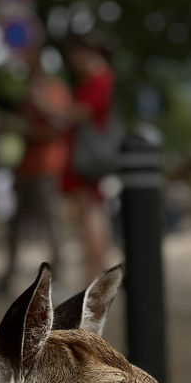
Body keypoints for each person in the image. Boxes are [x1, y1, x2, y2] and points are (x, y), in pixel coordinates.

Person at [0, 45, 71, 292]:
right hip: (25, 168)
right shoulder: (27, 93)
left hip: (47, 167)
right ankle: (7, 276)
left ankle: (59, 277)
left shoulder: (54, 90)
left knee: (53, 225)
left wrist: (36, 115)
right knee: (14, 225)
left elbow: (61, 124)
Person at [55, 33, 116, 284]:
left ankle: (93, 277)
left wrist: (49, 110)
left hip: (84, 159)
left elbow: (76, 116)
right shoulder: (99, 79)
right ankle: (94, 275)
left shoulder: (98, 80)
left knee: (89, 216)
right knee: (90, 215)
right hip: (83, 157)